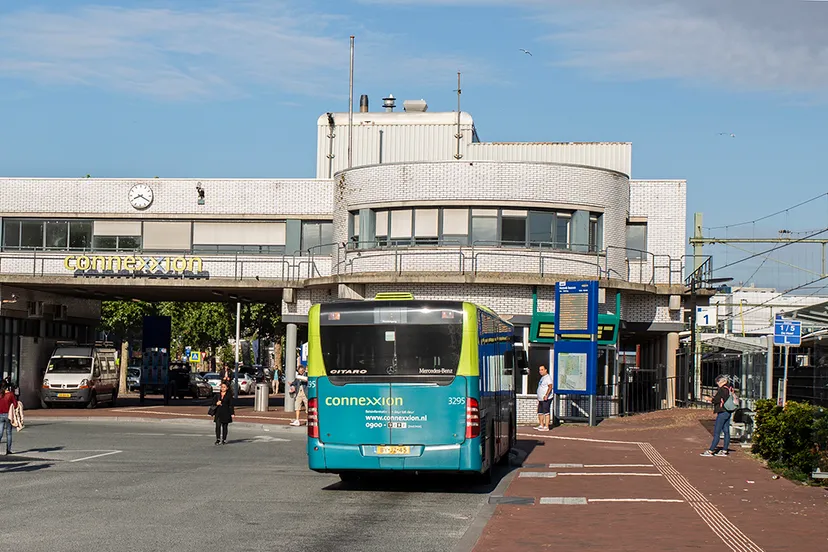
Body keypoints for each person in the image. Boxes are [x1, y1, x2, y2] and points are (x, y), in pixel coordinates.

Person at [701, 375, 736, 457]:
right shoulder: (730, 388)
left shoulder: (722, 390)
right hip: (728, 411)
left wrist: (708, 399)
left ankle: (711, 450)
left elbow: (716, 400)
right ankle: (724, 450)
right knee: (726, 431)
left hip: (722, 411)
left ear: (722, 381)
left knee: (717, 432)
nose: (718, 384)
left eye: (718, 383)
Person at [0, 381, 19, 455]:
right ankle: (8, 450)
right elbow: (15, 405)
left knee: (0, 432)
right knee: (9, 433)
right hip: (8, 415)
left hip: (0, 414)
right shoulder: (10, 394)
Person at [535, 365, 553, 431]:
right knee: (540, 412)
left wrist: (546, 395)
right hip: (541, 399)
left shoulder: (548, 377)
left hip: (546, 398)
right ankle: (541, 425)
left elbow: (550, 387)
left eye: (542, 370)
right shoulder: (542, 378)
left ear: (546, 370)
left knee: (546, 412)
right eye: (540, 370)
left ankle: (546, 426)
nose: (540, 371)